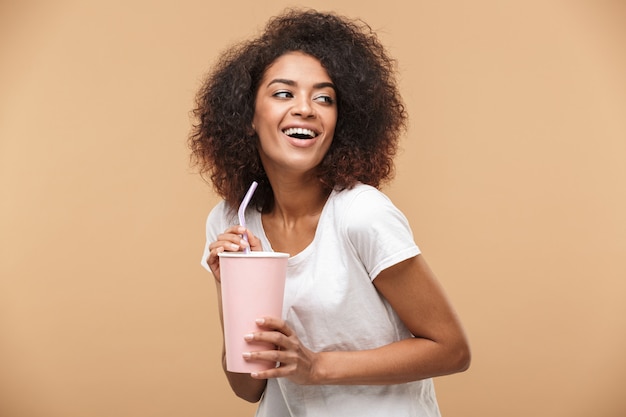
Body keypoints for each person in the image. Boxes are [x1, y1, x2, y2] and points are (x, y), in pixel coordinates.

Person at [189, 8, 470, 417]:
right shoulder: (230, 220)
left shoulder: (361, 214)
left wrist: (316, 366)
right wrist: (228, 283)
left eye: (324, 98)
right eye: (284, 93)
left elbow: (452, 349)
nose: (305, 108)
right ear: (247, 116)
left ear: (342, 121)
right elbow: (248, 388)